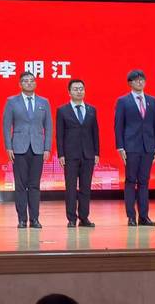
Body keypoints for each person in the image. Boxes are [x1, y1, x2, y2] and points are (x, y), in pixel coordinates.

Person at [3, 72, 53, 229]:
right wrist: (8, 147)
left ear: (36, 83)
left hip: (38, 148)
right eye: (25, 81)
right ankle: (22, 219)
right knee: (20, 185)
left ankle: (35, 219)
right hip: (19, 148)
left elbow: (48, 126)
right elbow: (6, 126)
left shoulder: (44, 102)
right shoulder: (12, 101)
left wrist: (47, 148)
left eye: (32, 80)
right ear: (20, 84)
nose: (29, 83)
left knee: (34, 185)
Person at [114, 70, 155, 226]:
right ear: (130, 83)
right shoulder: (123, 101)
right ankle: (131, 216)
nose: (140, 82)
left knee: (144, 181)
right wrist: (120, 146)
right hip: (130, 147)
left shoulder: (152, 101)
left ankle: (144, 216)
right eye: (136, 80)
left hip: (148, 146)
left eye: (142, 80)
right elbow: (118, 125)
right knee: (130, 181)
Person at [56, 79, 99, 228]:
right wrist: (61, 154)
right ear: (69, 92)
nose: (79, 91)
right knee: (71, 188)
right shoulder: (62, 110)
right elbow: (59, 134)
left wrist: (96, 153)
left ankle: (84, 218)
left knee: (86, 188)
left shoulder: (91, 109)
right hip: (70, 155)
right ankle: (71, 218)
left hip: (88, 154)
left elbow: (95, 133)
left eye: (81, 88)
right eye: (75, 89)